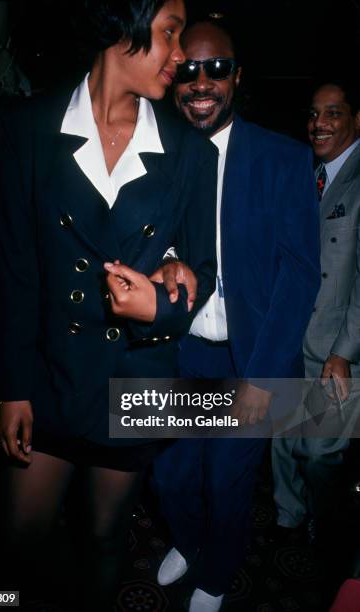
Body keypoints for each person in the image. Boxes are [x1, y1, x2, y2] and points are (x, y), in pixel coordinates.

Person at [0, 1, 217, 609]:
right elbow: (11, 271)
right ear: (121, 25)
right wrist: (12, 386)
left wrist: (164, 302)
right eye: (169, 33)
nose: (179, 56)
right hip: (49, 374)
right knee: (19, 537)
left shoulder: (191, 153)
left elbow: (206, 272)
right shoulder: (25, 126)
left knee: (105, 533)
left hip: (138, 382)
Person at [153, 15, 320, 612]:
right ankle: (191, 543)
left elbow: (300, 276)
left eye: (216, 69)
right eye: (189, 71)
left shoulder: (284, 159)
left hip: (247, 356)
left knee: (226, 483)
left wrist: (262, 377)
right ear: (175, 81)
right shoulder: (160, 157)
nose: (202, 82)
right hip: (179, 352)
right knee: (171, 476)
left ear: (237, 76)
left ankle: (219, 572)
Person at [272, 79, 360, 546]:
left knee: (321, 451)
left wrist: (345, 351)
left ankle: (330, 527)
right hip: (293, 337)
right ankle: (289, 517)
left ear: (356, 120)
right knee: (283, 440)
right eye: (313, 114)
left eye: (333, 114)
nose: (319, 124)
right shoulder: (307, 175)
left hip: (337, 347)